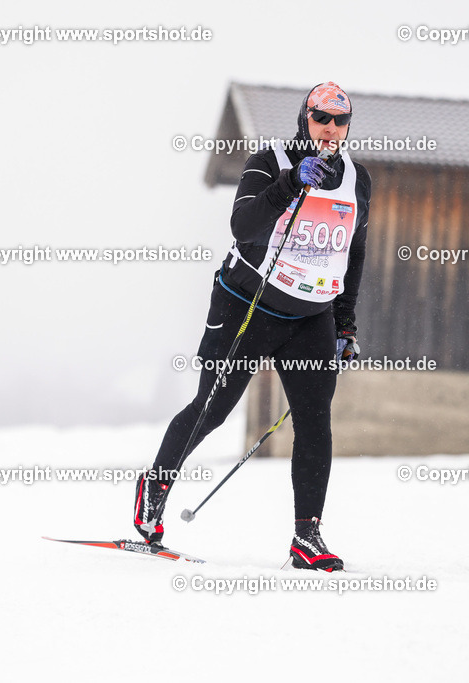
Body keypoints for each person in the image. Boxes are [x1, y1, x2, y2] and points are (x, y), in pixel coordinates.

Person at [134, 82, 371, 571]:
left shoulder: (356, 178)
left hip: (312, 316)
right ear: (304, 119)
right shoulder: (270, 161)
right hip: (248, 304)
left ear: (347, 126)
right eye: (320, 118)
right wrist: (291, 184)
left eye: (339, 121)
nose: (329, 128)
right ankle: (155, 487)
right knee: (213, 409)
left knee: (314, 421)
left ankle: (307, 536)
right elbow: (243, 227)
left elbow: (353, 252)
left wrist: (345, 323)